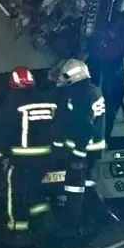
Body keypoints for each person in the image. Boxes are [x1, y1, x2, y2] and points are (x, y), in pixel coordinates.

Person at [48, 58, 106, 237]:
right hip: (93, 148)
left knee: (74, 187)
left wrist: (77, 153)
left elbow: (84, 126)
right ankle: (99, 217)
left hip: (82, 149)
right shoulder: (92, 90)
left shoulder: (80, 93)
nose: (60, 80)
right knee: (88, 183)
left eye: (63, 76)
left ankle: (74, 226)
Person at [2, 66, 58, 238]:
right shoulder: (48, 101)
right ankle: (45, 224)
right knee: (37, 190)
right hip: (46, 156)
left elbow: (5, 132)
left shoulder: (13, 104)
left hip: (22, 158)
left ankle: (17, 228)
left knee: (16, 191)